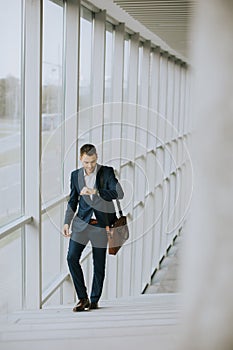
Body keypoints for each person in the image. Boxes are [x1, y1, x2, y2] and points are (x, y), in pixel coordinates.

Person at [63, 144, 124, 312]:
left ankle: (94, 299)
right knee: (71, 257)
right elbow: (73, 200)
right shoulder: (75, 175)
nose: (89, 166)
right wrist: (67, 222)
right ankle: (83, 299)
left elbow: (119, 193)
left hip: (101, 226)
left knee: (99, 263)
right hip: (81, 224)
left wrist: (96, 191)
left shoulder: (107, 172)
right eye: (86, 162)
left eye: (92, 161)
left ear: (97, 156)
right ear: (80, 159)